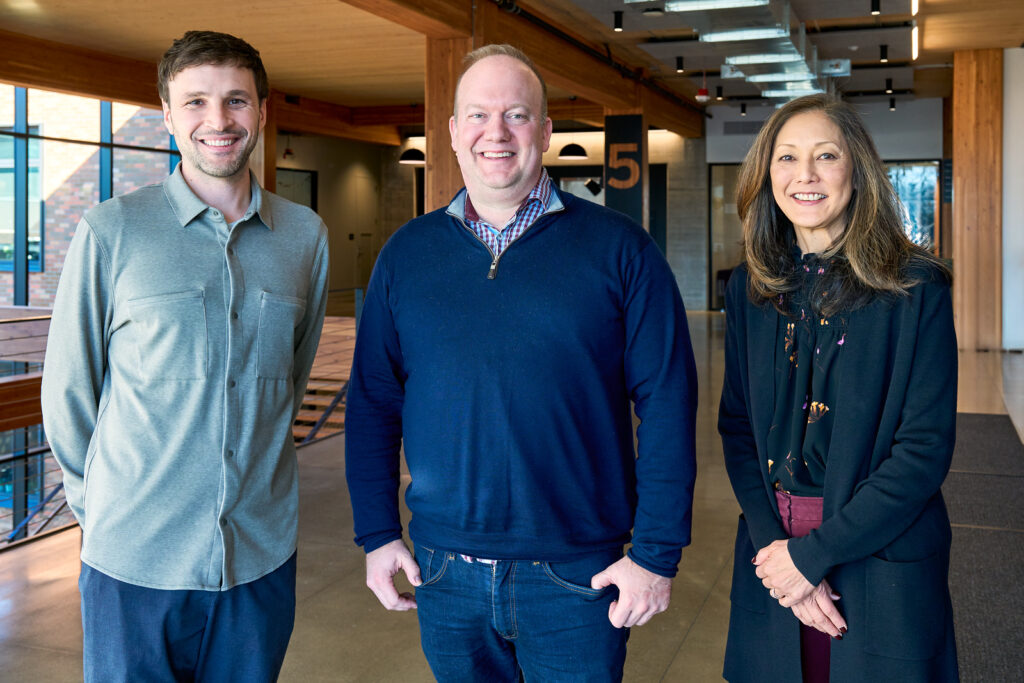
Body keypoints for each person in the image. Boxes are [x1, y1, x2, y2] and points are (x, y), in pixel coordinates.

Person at [345, 44, 697, 682]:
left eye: (516, 114)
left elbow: (669, 403)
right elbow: (372, 401)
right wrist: (376, 532)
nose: (496, 133)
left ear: (547, 130)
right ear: (452, 133)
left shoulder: (622, 250)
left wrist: (656, 554)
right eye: (477, 115)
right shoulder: (407, 254)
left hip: (578, 573)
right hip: (444, 570)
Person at [40, 30, 329, 682]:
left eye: (235, 100)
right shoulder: (111, 231)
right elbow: (69, 395)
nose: (217, 120)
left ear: (261, 109)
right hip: (132, 565)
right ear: (168, 114)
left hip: (259, 558)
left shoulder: (304, 237)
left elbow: (291, 375)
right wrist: (109, 515)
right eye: (195, 102)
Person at [718, 93, 959, 682]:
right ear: (765, 173)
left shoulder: (914, 287)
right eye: (786, 158)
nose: (805, 175)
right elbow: (738, 427)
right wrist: (782, 557)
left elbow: (923, 450)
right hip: (772, 548)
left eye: (826, 156)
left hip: (876, 547)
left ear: (858, 170)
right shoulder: (751, 286)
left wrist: (815, 557)